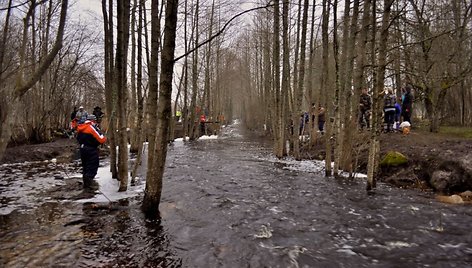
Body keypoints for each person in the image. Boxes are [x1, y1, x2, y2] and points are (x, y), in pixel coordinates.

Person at [76, 114, 107, 190]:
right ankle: (89, 185)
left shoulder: (80, 127)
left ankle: (86, 184)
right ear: (93, 121)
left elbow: (78, 138)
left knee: (85, 166)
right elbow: (101, 139)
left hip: (82, 149)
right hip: (91, 150)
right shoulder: (91, 127)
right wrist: (102, 135)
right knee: (92, 166)